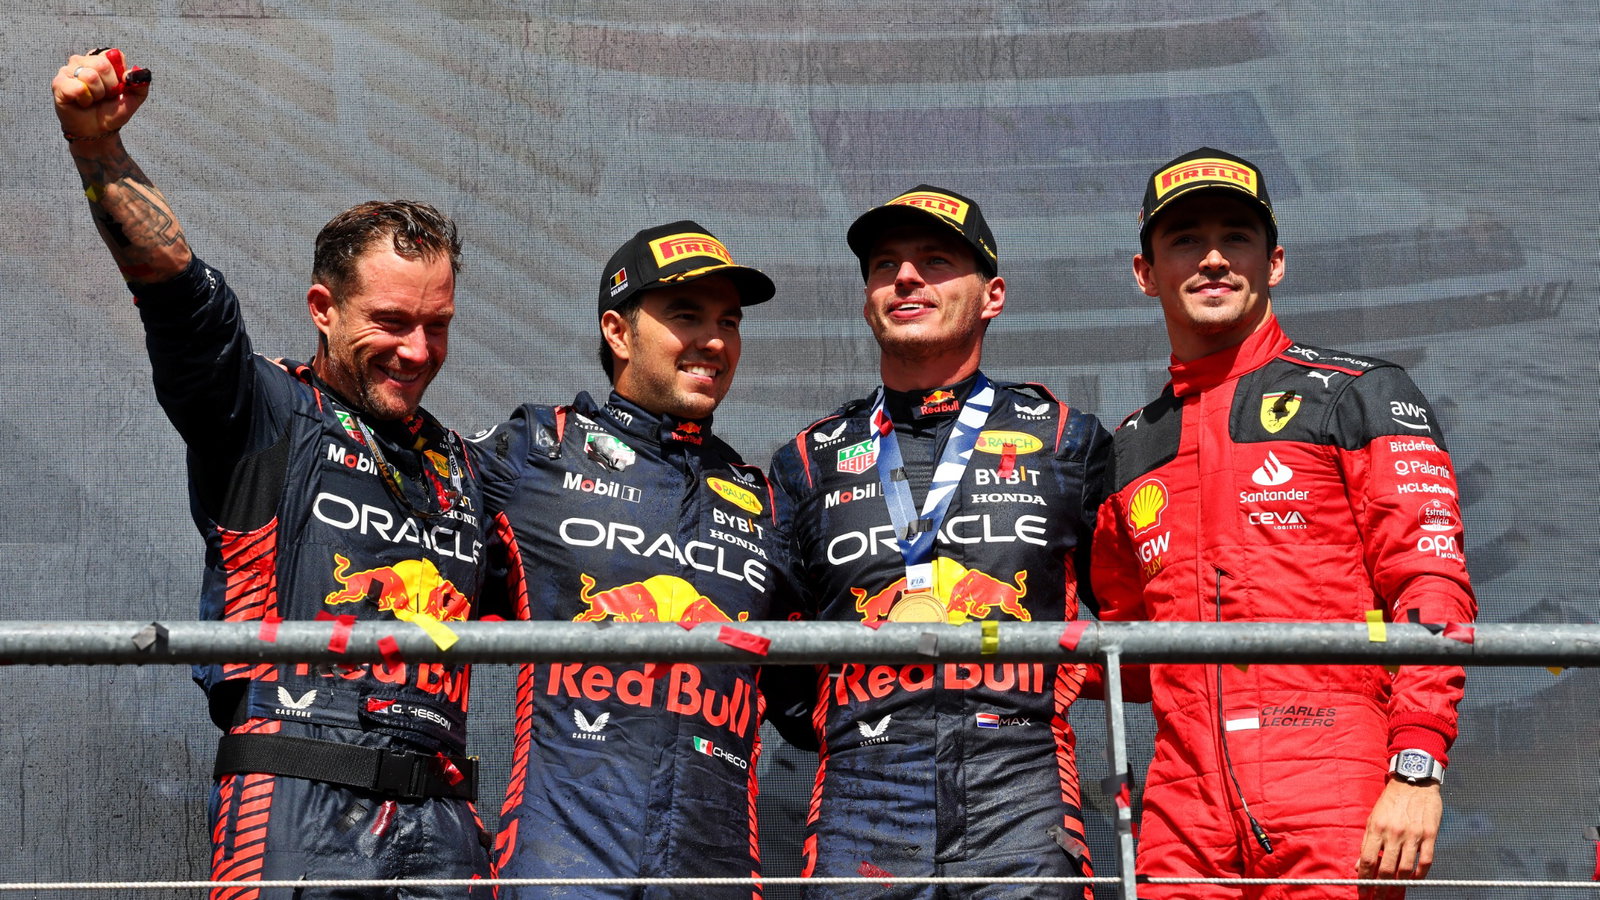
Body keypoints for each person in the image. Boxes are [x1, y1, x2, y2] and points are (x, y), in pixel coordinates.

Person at [53, 49, 491, 898]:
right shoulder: (260, 413)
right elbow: (182, 300)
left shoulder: (469, 468)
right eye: (392, 321)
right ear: (323, 309)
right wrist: (93, 149)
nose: (417, 349)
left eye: (436, 325)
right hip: (292, 803)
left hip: (444, 826)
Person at [1090, 147, 1477, 900]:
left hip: (1333, 786)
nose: (1212, 260)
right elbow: (1124, 648)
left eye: (1236, 237)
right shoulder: (1130, 446)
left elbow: (1433, 588)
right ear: (1145, 273)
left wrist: (1417, 767)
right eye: (1183, 241)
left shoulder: (1360, 394)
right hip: (1182, 811)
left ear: (1275, 263)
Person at [767, 186, 1112, 898]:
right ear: (868, 298)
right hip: (864, 799)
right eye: (885, 265)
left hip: (1021, 792)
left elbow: (1123, 608)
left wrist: (1022, 703)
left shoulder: (1068, 439)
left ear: (993, 295)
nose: (905, 278)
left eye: (935, 261)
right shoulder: (808, 458)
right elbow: (782, 658)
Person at [472, 221, 791, 897]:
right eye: (685, 316)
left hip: (719, 866)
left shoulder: (762, 499)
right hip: (561, 862)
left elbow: (804, 702)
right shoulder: (538, 449)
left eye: (728, 322)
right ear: (617, 331)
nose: (713, 341)